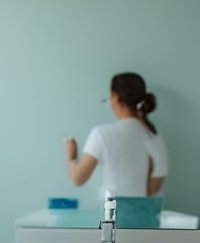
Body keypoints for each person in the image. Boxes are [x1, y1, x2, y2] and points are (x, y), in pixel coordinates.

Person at [64, 71, 167, 200]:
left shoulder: (101, 134)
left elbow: (78, 178)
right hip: (141, 217)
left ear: (115, 97)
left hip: (110, 213)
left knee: (108, 219)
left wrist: (71, 156)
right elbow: (151, 191)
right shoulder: (155, 139)